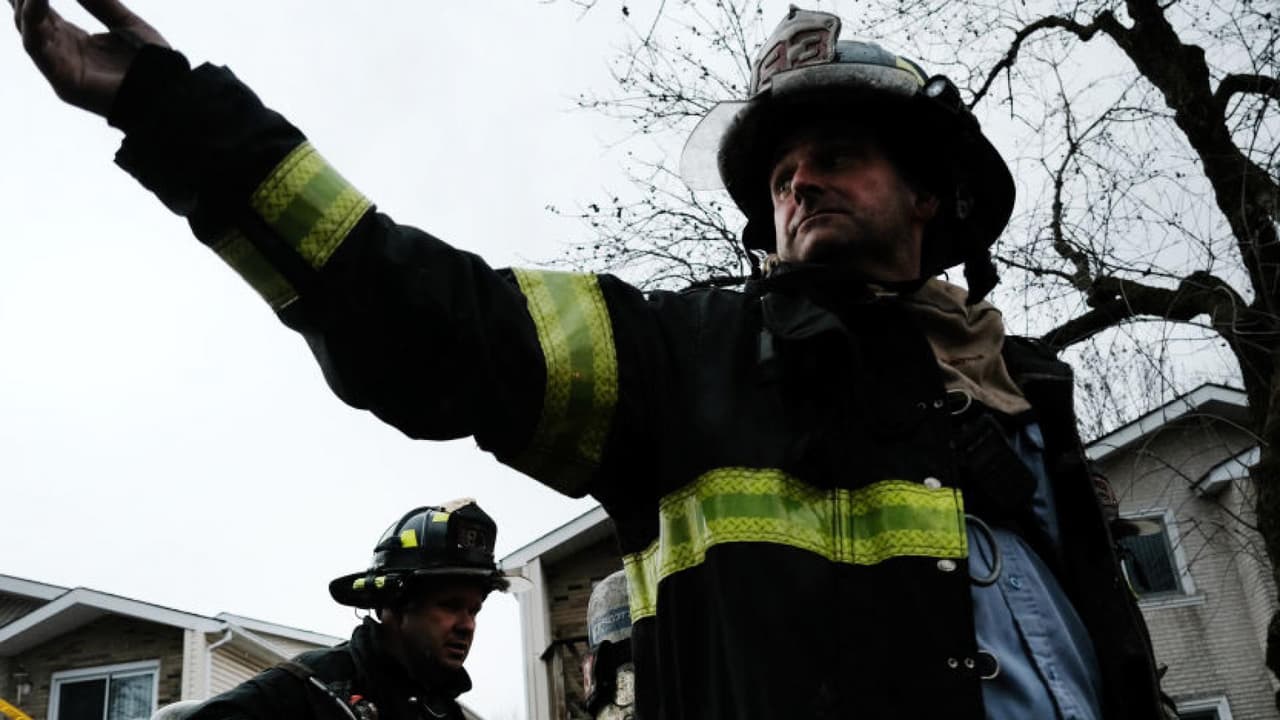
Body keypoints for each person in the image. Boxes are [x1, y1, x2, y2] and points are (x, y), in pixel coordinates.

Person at [12, 2, 1166, 717]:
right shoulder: (688, 361)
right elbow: (425, 322)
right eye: (776, 177)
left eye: (835, 154)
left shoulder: (1031, 404)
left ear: (929, 192)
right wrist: (177, 117)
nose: (796, 183)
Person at [176, 501, 506, 720]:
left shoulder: (445, 712)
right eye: (449, 606)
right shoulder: (311, 688)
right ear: (393, 603)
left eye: (474, 611)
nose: (467, 626)